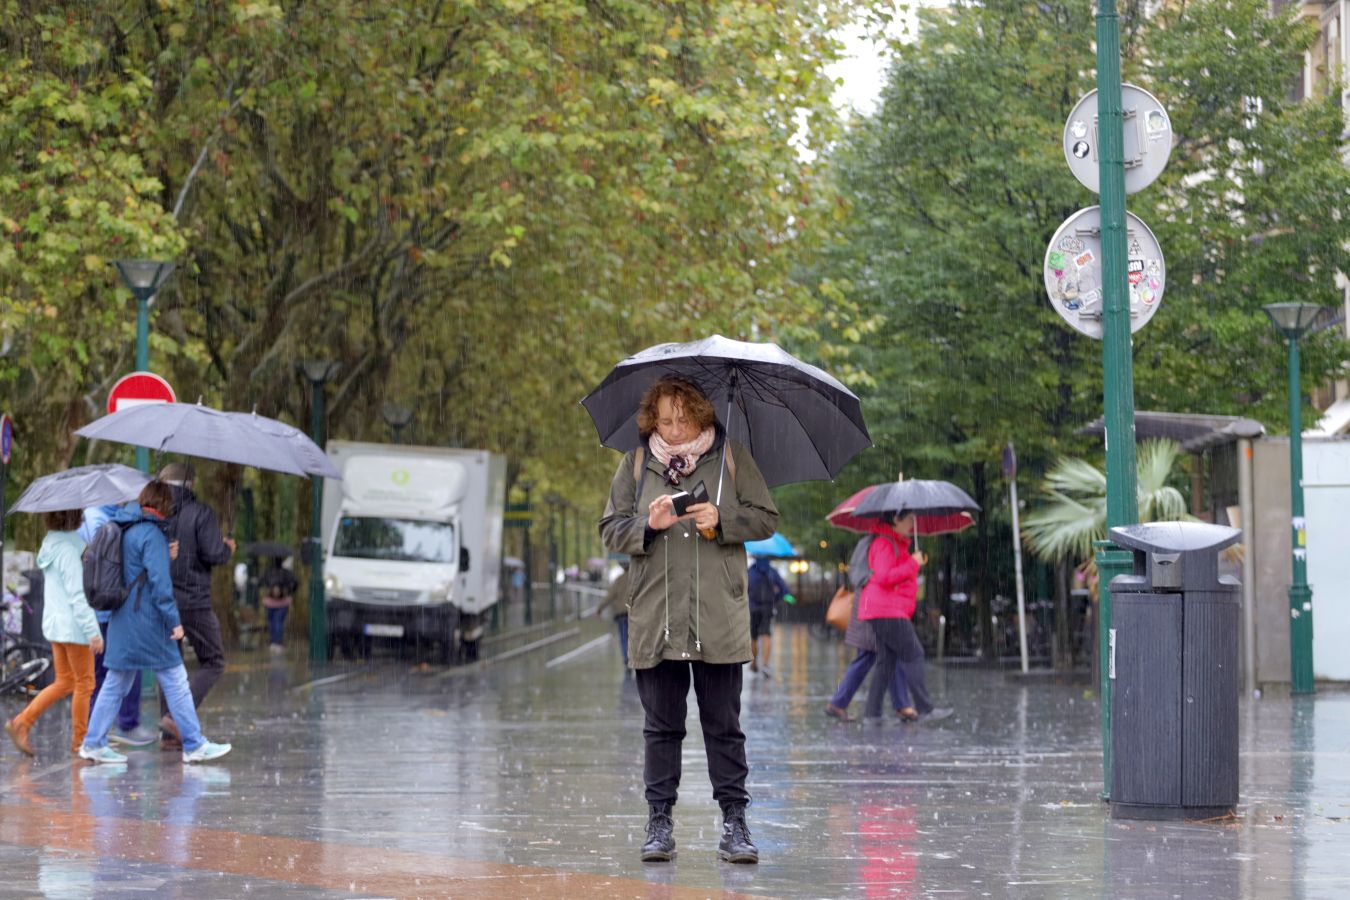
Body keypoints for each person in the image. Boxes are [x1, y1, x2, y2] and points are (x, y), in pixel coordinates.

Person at [600, 375, 778, 866]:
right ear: (651, 419)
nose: (675, 428)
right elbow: (610, 528)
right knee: (661, 727)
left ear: (701, 414)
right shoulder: (636, 463)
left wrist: (722, 521)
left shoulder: (732, 458)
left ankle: (735, 823)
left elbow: (766, 516)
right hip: (656, 614)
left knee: (724, 725)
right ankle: (659, 822)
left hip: (718, 614)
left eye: (683, 417)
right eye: (665, 419)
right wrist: (648, 526)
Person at [80, 480, 232, 764]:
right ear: (163, 505)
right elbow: (160, 585)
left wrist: (165, 552)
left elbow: (135, 567)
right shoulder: (151, 534)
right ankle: (194, 744)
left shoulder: (126, 527)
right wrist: (174, 621)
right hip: (148, 623)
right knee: (175, 680)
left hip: (123, 620)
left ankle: (93, 742)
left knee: (115, 682)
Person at [5, 509, 103, 757]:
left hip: (55, 626)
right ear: (74, 517)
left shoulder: (50, 545)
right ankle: (82, 744)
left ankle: (21, 723)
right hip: (74, 628)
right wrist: (93, 631)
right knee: (85, 683)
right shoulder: (70, 551)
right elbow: (77, 596)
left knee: (65, 682)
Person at [157, 463, 235, 750]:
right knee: (213, 661)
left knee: (170, 665)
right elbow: (213, 554)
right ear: (191, 484)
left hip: (164, 600)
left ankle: (168, 734)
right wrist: (227, 548)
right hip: (195, 601)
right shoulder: (202, 513)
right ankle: (176, 719)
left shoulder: (158, 514)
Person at [857, 513, 951, 723]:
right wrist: (913, 564)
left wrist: (911, 561)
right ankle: (925, 707)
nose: (913, 523)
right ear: (895, 520)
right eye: (908, 519)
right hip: (887, 609)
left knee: (886, 661)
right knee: (914, 654)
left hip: (883, 609)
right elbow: (884, 577)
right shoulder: (884, 543)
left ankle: (872, 714)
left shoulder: (894, 543)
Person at [81, 504, 156, 748]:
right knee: (120, 668)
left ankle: (99, 730)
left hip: (100, 607)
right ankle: (121, 725)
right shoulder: (98, 519)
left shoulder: (102, 516)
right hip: (106, 608)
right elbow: (109, 560)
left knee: (105, 673)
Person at [825, 581, 912, 723]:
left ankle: (839, 702)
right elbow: (877, 576)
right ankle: (900, 704)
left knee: (873, 656)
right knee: (879, 655)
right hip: (873, 610)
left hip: (872, 608)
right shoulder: (869, 561)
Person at [746, 556, 789, 677]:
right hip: (767, 608)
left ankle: (754, 663)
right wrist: (775, 598)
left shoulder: (750, 571)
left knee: (753, 637)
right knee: (766, 635)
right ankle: (765, 664)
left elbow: (743, 588)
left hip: (752, 608)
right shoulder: (772, 571)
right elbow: (784, 590)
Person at [594, 562, 632, 666]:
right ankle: (634, 659)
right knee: (634, 638)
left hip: (621, 614)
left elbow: (609, 597)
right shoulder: (636, 578)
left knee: (624, 637)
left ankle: (626, 659)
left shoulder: (619, 580)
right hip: (633, 614)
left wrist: (599, 609)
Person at [259, 558, 297, 652]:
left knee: (272, 622)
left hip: (270, 602)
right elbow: (295, 583)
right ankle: (277, 642)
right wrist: (288, 590)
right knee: (278, 622)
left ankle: (273, 642)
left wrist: (268, 588)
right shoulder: (287, 573)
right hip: (283, 602)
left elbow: (260, 582)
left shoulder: (268, 572)